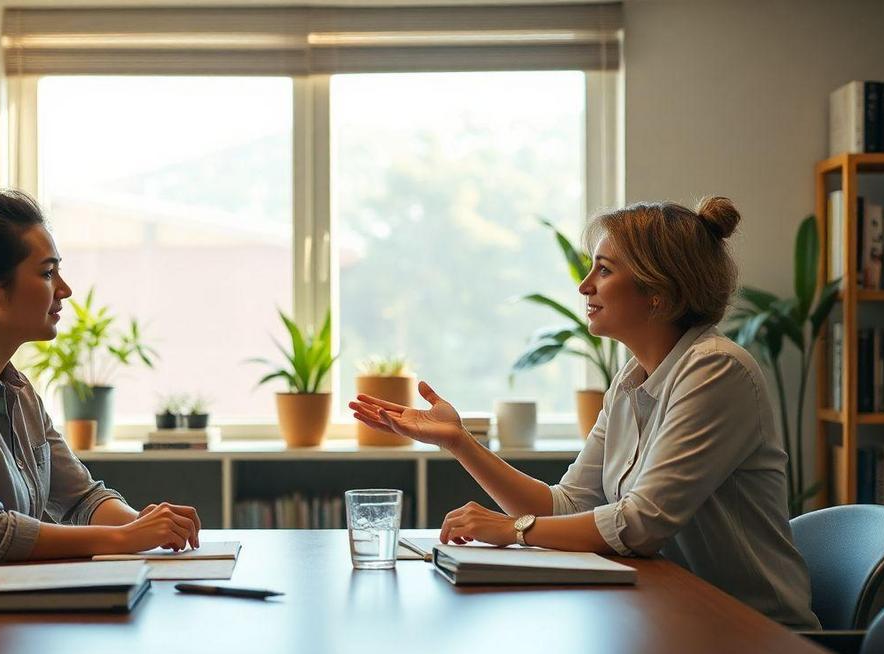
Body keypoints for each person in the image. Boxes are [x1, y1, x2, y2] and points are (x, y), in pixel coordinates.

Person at [350, 197, 820, 629]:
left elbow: (640, 525)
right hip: (673, 619)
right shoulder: (633, 379)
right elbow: (566, 505)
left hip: (752, 635)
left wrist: (511, 531)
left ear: (658, 291)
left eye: (604, 270)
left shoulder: (716, 370)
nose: (584, 285)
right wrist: (459, 441)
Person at [0, 175, 200, 582]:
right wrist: (123, 539)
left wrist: (141, 527)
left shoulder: (18, 391)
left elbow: (81, 497)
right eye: (47, 274)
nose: (65, 290)